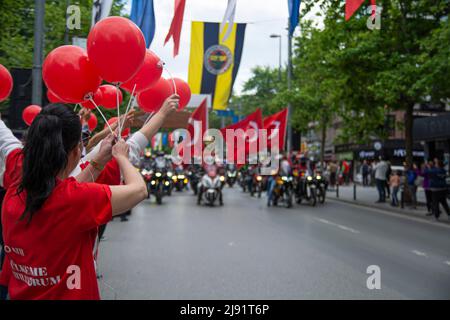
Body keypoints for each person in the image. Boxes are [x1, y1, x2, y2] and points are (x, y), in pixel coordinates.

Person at [0, 99, 178, 299]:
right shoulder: (76, 199)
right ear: (76, 151)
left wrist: (97, 162)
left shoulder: (13, 193)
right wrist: (122, 157)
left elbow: (65, 189)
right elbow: (139, 191)